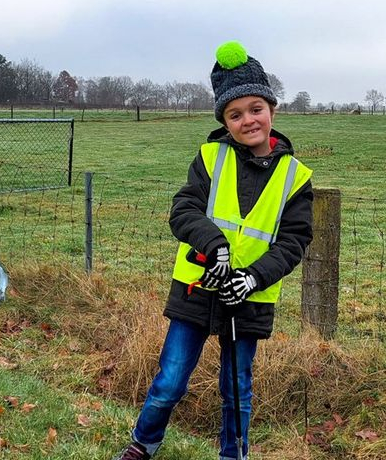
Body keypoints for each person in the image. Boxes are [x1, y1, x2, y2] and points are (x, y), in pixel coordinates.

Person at [113, 41, 314, 460]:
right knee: (170, 380)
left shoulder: (296, 177)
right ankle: (143, 443)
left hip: (249, 299)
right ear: (225, 121)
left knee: (236, 388)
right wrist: (215, 247)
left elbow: (294, 241)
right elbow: (183, 210)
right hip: (197, 290)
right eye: (235, 114)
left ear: (272, 110)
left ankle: (232, 454)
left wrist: (253, 277)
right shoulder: (210, 158)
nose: (248, 120)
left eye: (256, 108)